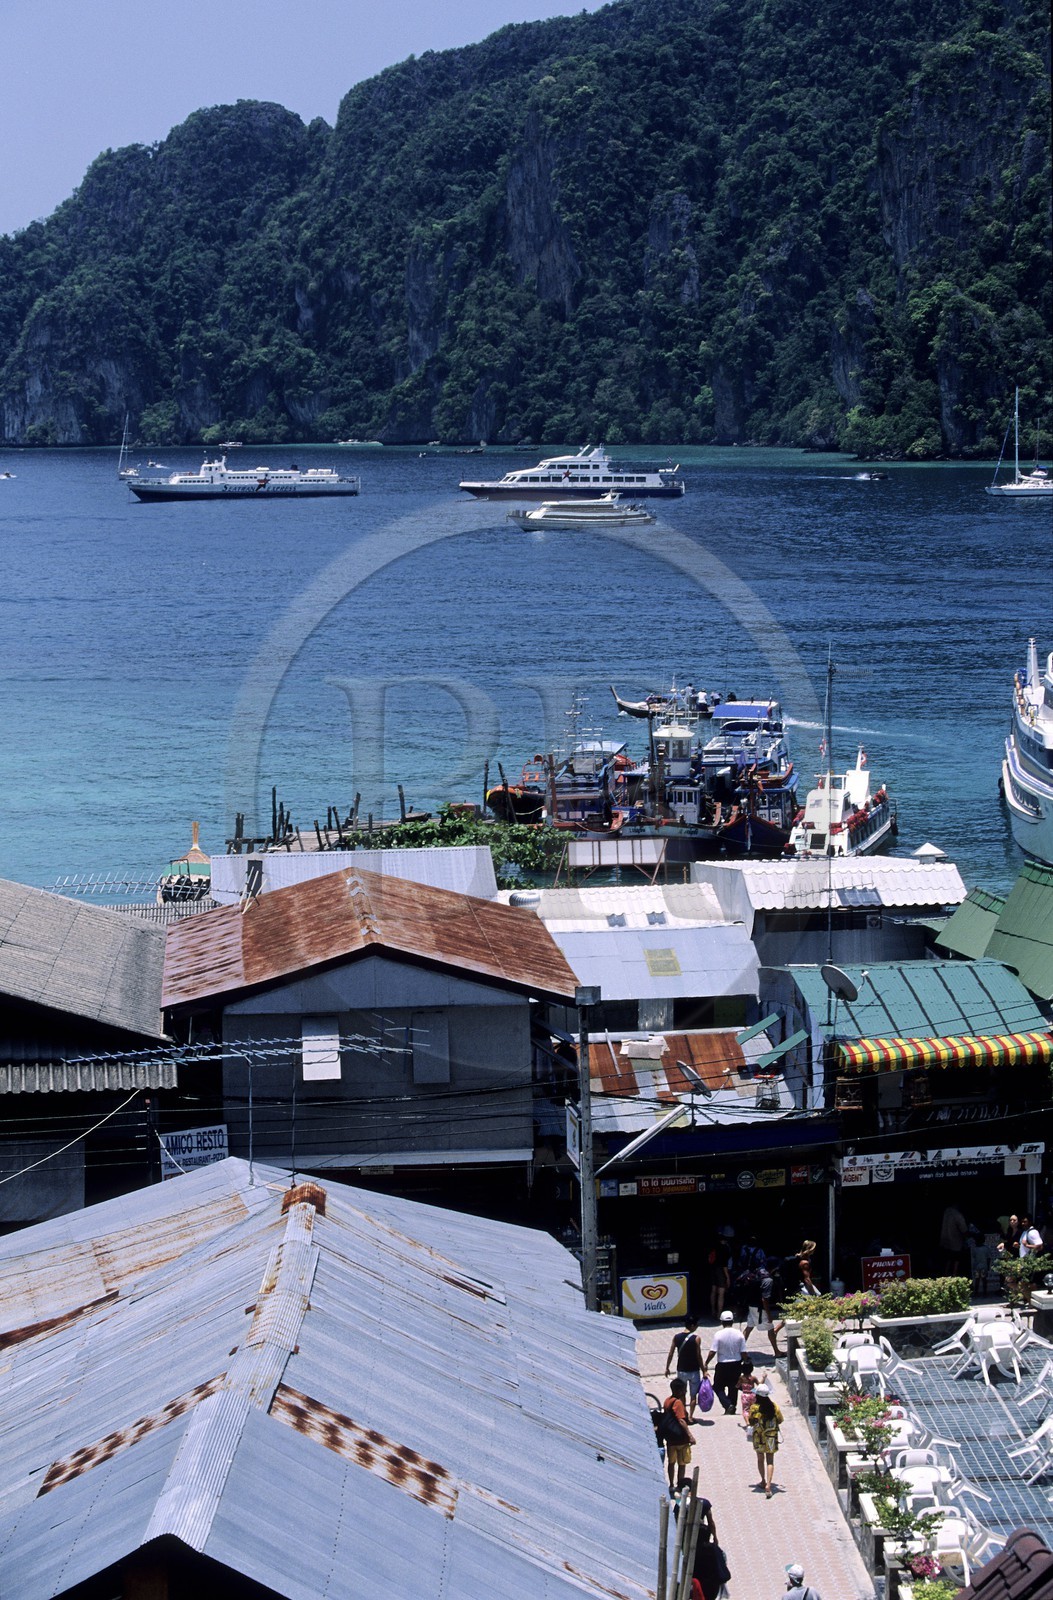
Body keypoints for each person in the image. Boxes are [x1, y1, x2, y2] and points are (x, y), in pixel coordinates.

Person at [703, 1309, 747, 1415]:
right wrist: (746, 1362)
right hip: (736, 1364)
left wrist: (706, 1363)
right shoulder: (739, 1334)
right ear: (732, 1321)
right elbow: (744, 1352)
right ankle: (732, 1406)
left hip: (722, 1364)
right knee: (734, 1386)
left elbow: (713, 1351)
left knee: (718, 1387)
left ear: (722, 1322)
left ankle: (728, 1405)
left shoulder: (718, 1334)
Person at [665, 1315, 705, 1421]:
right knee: (693, 1396)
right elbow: (699, 1356)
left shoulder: (676, 1337)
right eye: (696, 1325)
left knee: (682, 1394)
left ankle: (684, 1415)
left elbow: (671, 1353)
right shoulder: (696, 1338)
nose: (697, 1327)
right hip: (694, 1370)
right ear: (692, 1326)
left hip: (681, 1370)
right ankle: (691, 1416)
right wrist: (704, 1370)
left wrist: (667, 1367)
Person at [747, 1380, 783, 1498]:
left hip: (759, 1437)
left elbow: (751, 1422)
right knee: (770, 1461)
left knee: (760, 1459)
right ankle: (768, 1484)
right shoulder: (774, 1407)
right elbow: (780, 1420)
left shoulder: (754, 1408)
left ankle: (762, 1480)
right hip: (771, 1437)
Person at [743, 1261, 785, 1357]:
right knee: (770, 1328)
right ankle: (777, 1352)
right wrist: (769, 1315)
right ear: (774, 1269)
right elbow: (764, 1299)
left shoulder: (759, 1272)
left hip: (751, 1305)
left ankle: (739, 1350)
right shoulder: (768, 1280)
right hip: (760, 1309)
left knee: (749, 1327)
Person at [662, 1378, 695, 1493]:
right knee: (682, 1464)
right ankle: (679, 1484)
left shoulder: (667, 1401)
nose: (685, 1391)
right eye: (684, 1389)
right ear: (679, 1390)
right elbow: (681, 1421)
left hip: (670, 1439)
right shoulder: (678, 1403)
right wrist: (690, 1436)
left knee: (671, 1463)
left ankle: (671, 1485)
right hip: (681, 1439)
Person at [940, 1202, 970, 1274]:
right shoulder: (958, 1215)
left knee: (949, 1258)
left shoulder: (947, 1211)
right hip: (955, 1242)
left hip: (945, 1240)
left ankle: (946, 1274)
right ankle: (954, 1274)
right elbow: (964, 1230)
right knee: (956, 1259)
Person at [707, 1238, 732, 1321]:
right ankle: (719, 1314)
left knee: (713, 1291)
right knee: (721, 1293)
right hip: (721, 1271)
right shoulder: (724, 1249)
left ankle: (713, 1310)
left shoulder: (713, 1247)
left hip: (712, 1269)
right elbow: (724, 1264)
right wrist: (727, 1277)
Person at [738, 1353, 757, 1423]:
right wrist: (764, 1378)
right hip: (753, 1395)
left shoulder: (741, 1378)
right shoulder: (753, 1378)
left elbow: (737, 1385)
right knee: (754, 1408)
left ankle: (747, 1423)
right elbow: (759, 1384)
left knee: (745, 1410)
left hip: (745, 1395)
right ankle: (754, 1421)